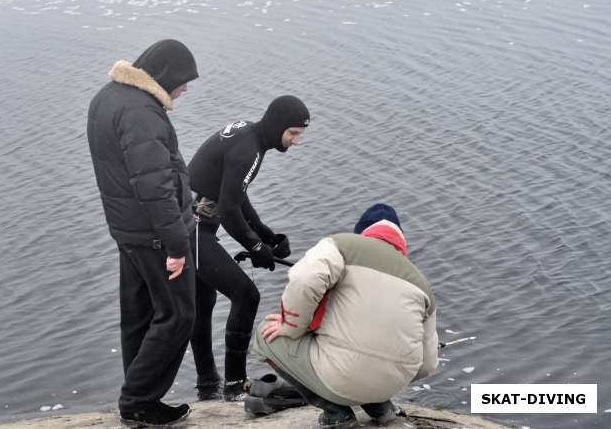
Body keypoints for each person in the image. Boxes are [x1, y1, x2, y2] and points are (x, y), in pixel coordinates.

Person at [86, 39, 199, 426]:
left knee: (137, 315)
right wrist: (176, 244)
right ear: (165, 76)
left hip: (128, 230)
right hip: (154, 233)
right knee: (178, 314)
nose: (185, 89)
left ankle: (136, 397)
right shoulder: (141, 114)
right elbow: (154, 186)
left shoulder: (109, 97)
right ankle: (138, 400)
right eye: (183, 82)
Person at [252, 204, 438, 428]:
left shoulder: (341, 245)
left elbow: (304, 278)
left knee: (265, 334)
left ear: (362, 233)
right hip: (391, 385)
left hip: (341, 378)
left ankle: (336, 414)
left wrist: (292, 325)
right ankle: (381, 408)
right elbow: (427, 365)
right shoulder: (421, 283)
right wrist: (390, 375)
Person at [187, 95, 310, 401]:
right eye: (293, 134)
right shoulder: (249, 152)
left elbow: (235, 195)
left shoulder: (249, 135)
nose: (297, 142)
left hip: (189, 225)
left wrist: (266, 236)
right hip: (191, 231)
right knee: (246, 295)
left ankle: (206, 383)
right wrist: (255, 247)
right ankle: (234, 384)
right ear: (279, 125)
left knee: (203, 304)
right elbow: (229, 210)